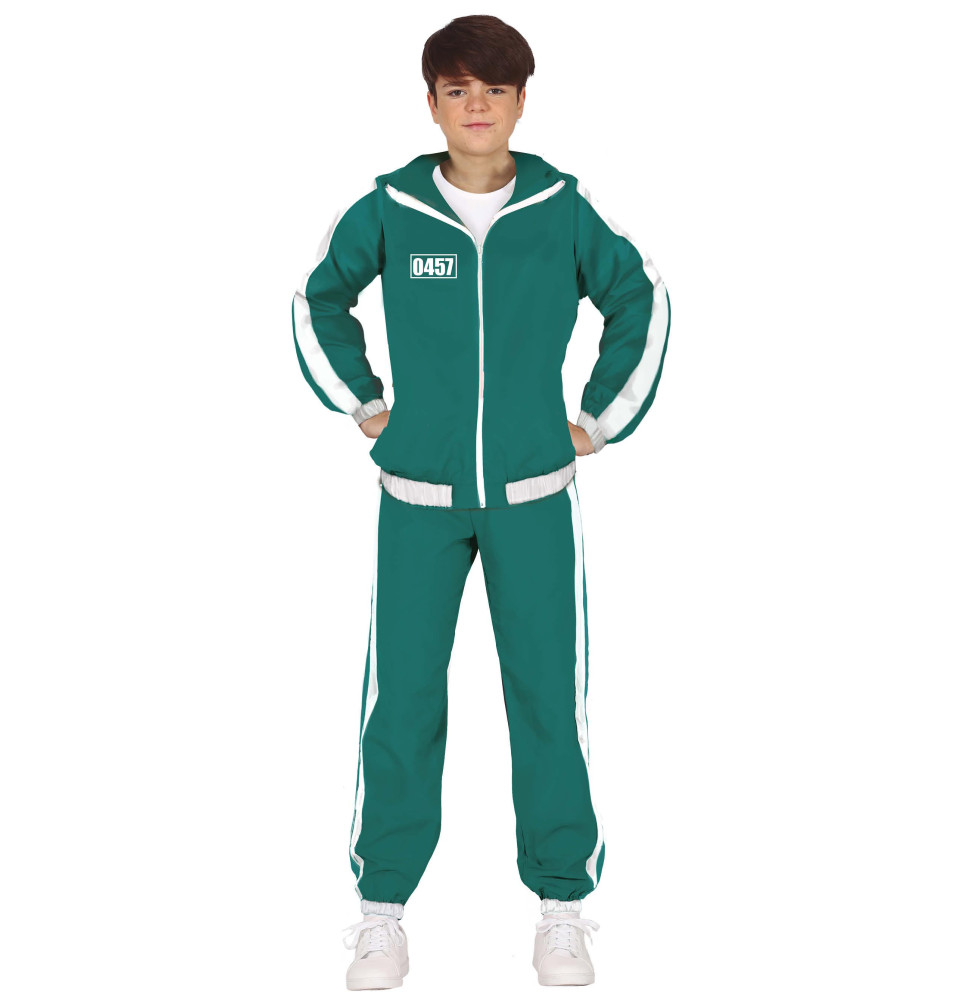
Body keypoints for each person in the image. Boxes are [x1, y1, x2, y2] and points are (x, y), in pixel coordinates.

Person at [291, 14, 671, 990]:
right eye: (456, 89)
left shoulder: (561, 207)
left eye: (493, 90)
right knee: (403, 702)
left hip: (533, 497)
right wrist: (363, 401)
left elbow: (642, 298)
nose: (476, 106)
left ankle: (562, 910)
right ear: (431, 103)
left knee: (547, 699)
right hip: (416, 497)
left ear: (520, 102)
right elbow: (315, 299)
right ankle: (381, 915)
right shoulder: (390, 207)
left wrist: (597, 420)